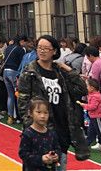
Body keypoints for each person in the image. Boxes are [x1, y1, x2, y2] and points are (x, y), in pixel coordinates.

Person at [18, 35, 90, 169]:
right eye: (39, 47)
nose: (42, 51)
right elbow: (23, 104)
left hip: (61, 129)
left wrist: (69, 70)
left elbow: (82, 90)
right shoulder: (30, 73)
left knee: (59, 164)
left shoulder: (60, 72)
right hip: (39, 132)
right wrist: (33, 128)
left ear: (55, 51)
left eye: (46, 48)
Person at [18, 98, 62, 171]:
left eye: (45, 113)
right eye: (38, 112)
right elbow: (23, 154)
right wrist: (41, 159)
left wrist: (56, 156)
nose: (42, 116)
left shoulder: (52, 133)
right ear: (30, 113)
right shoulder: (28, 134)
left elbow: (57, 148)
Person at [78, 78, 101, 155]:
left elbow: (93, 107)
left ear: (92, 88)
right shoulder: (92, 95)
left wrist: (83, 105)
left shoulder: (96, 96)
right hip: (93, 117)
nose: (86, 87)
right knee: (90, 133)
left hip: (97, 117)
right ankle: (84, 147)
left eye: (87, 86)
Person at [3, 35, 27, 124]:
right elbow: (22, 63)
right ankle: (19, 116)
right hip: (14, 72)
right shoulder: (20, 50)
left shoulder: (8, 48)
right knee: (18, 94)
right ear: (21, 41)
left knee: (10, 95)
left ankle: (10, 117)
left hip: (5, 71)